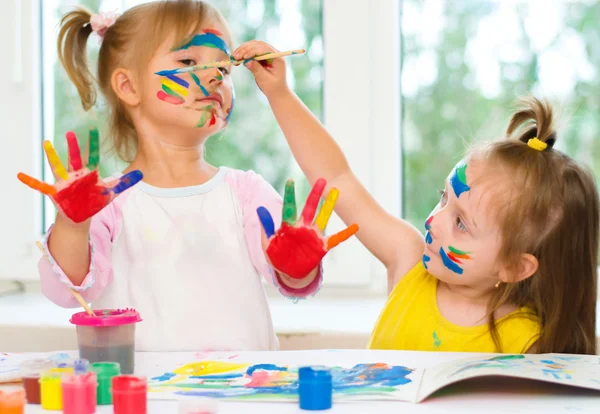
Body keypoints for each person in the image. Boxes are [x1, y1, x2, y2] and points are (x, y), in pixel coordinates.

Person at [17, 0, 356, 352]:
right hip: (146, 399)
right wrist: (73, 225)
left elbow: (289, 275)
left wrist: (296, 267)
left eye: (223, 69)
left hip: (240, 395)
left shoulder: (246, 194)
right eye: (188, 61)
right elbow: (67, 291)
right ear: (128, 87)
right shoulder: (107, 204)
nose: (214, 76)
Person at [238, 41, 599, 354]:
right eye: (444, 198)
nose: (434, 221)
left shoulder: (527, 344)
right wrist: (279, 94)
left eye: (461, 223)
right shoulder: (409, 259)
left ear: (516, 267)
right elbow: (337, 178)